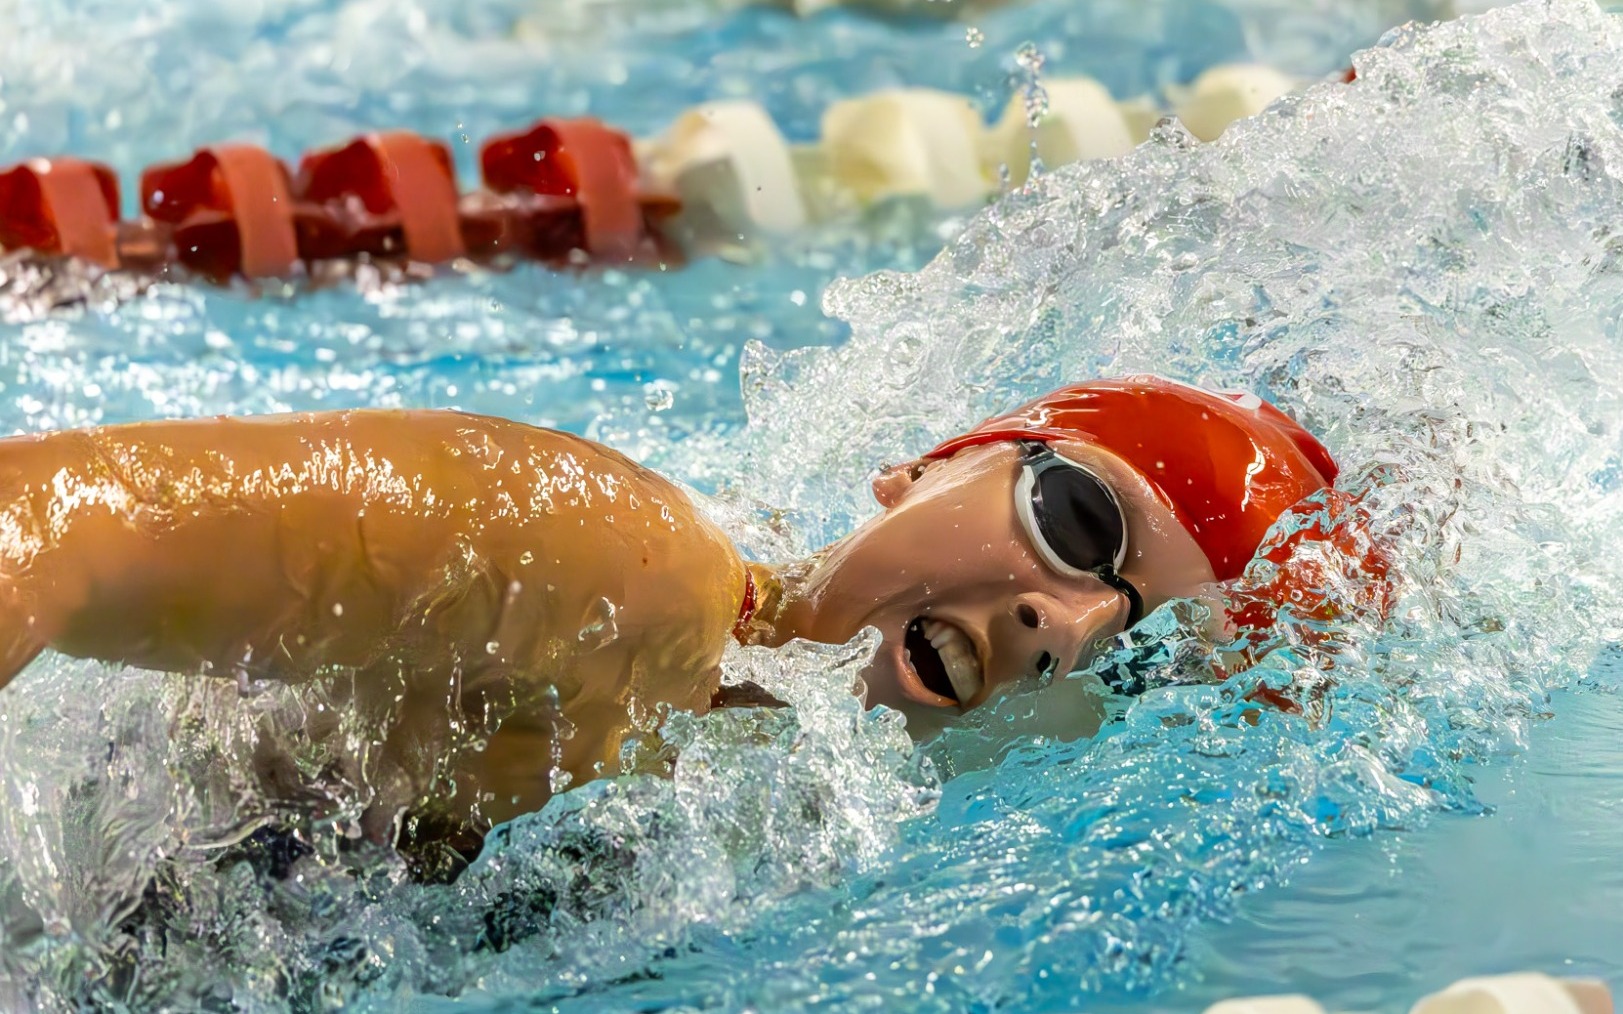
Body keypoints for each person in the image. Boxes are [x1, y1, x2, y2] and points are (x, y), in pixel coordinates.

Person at [0, 374, 1338, 852]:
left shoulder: (786, 836)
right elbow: (54, 521)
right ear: (930, 466)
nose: (1068, 629)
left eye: (1136, 651)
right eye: (1081, 525)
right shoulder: (614, 563)